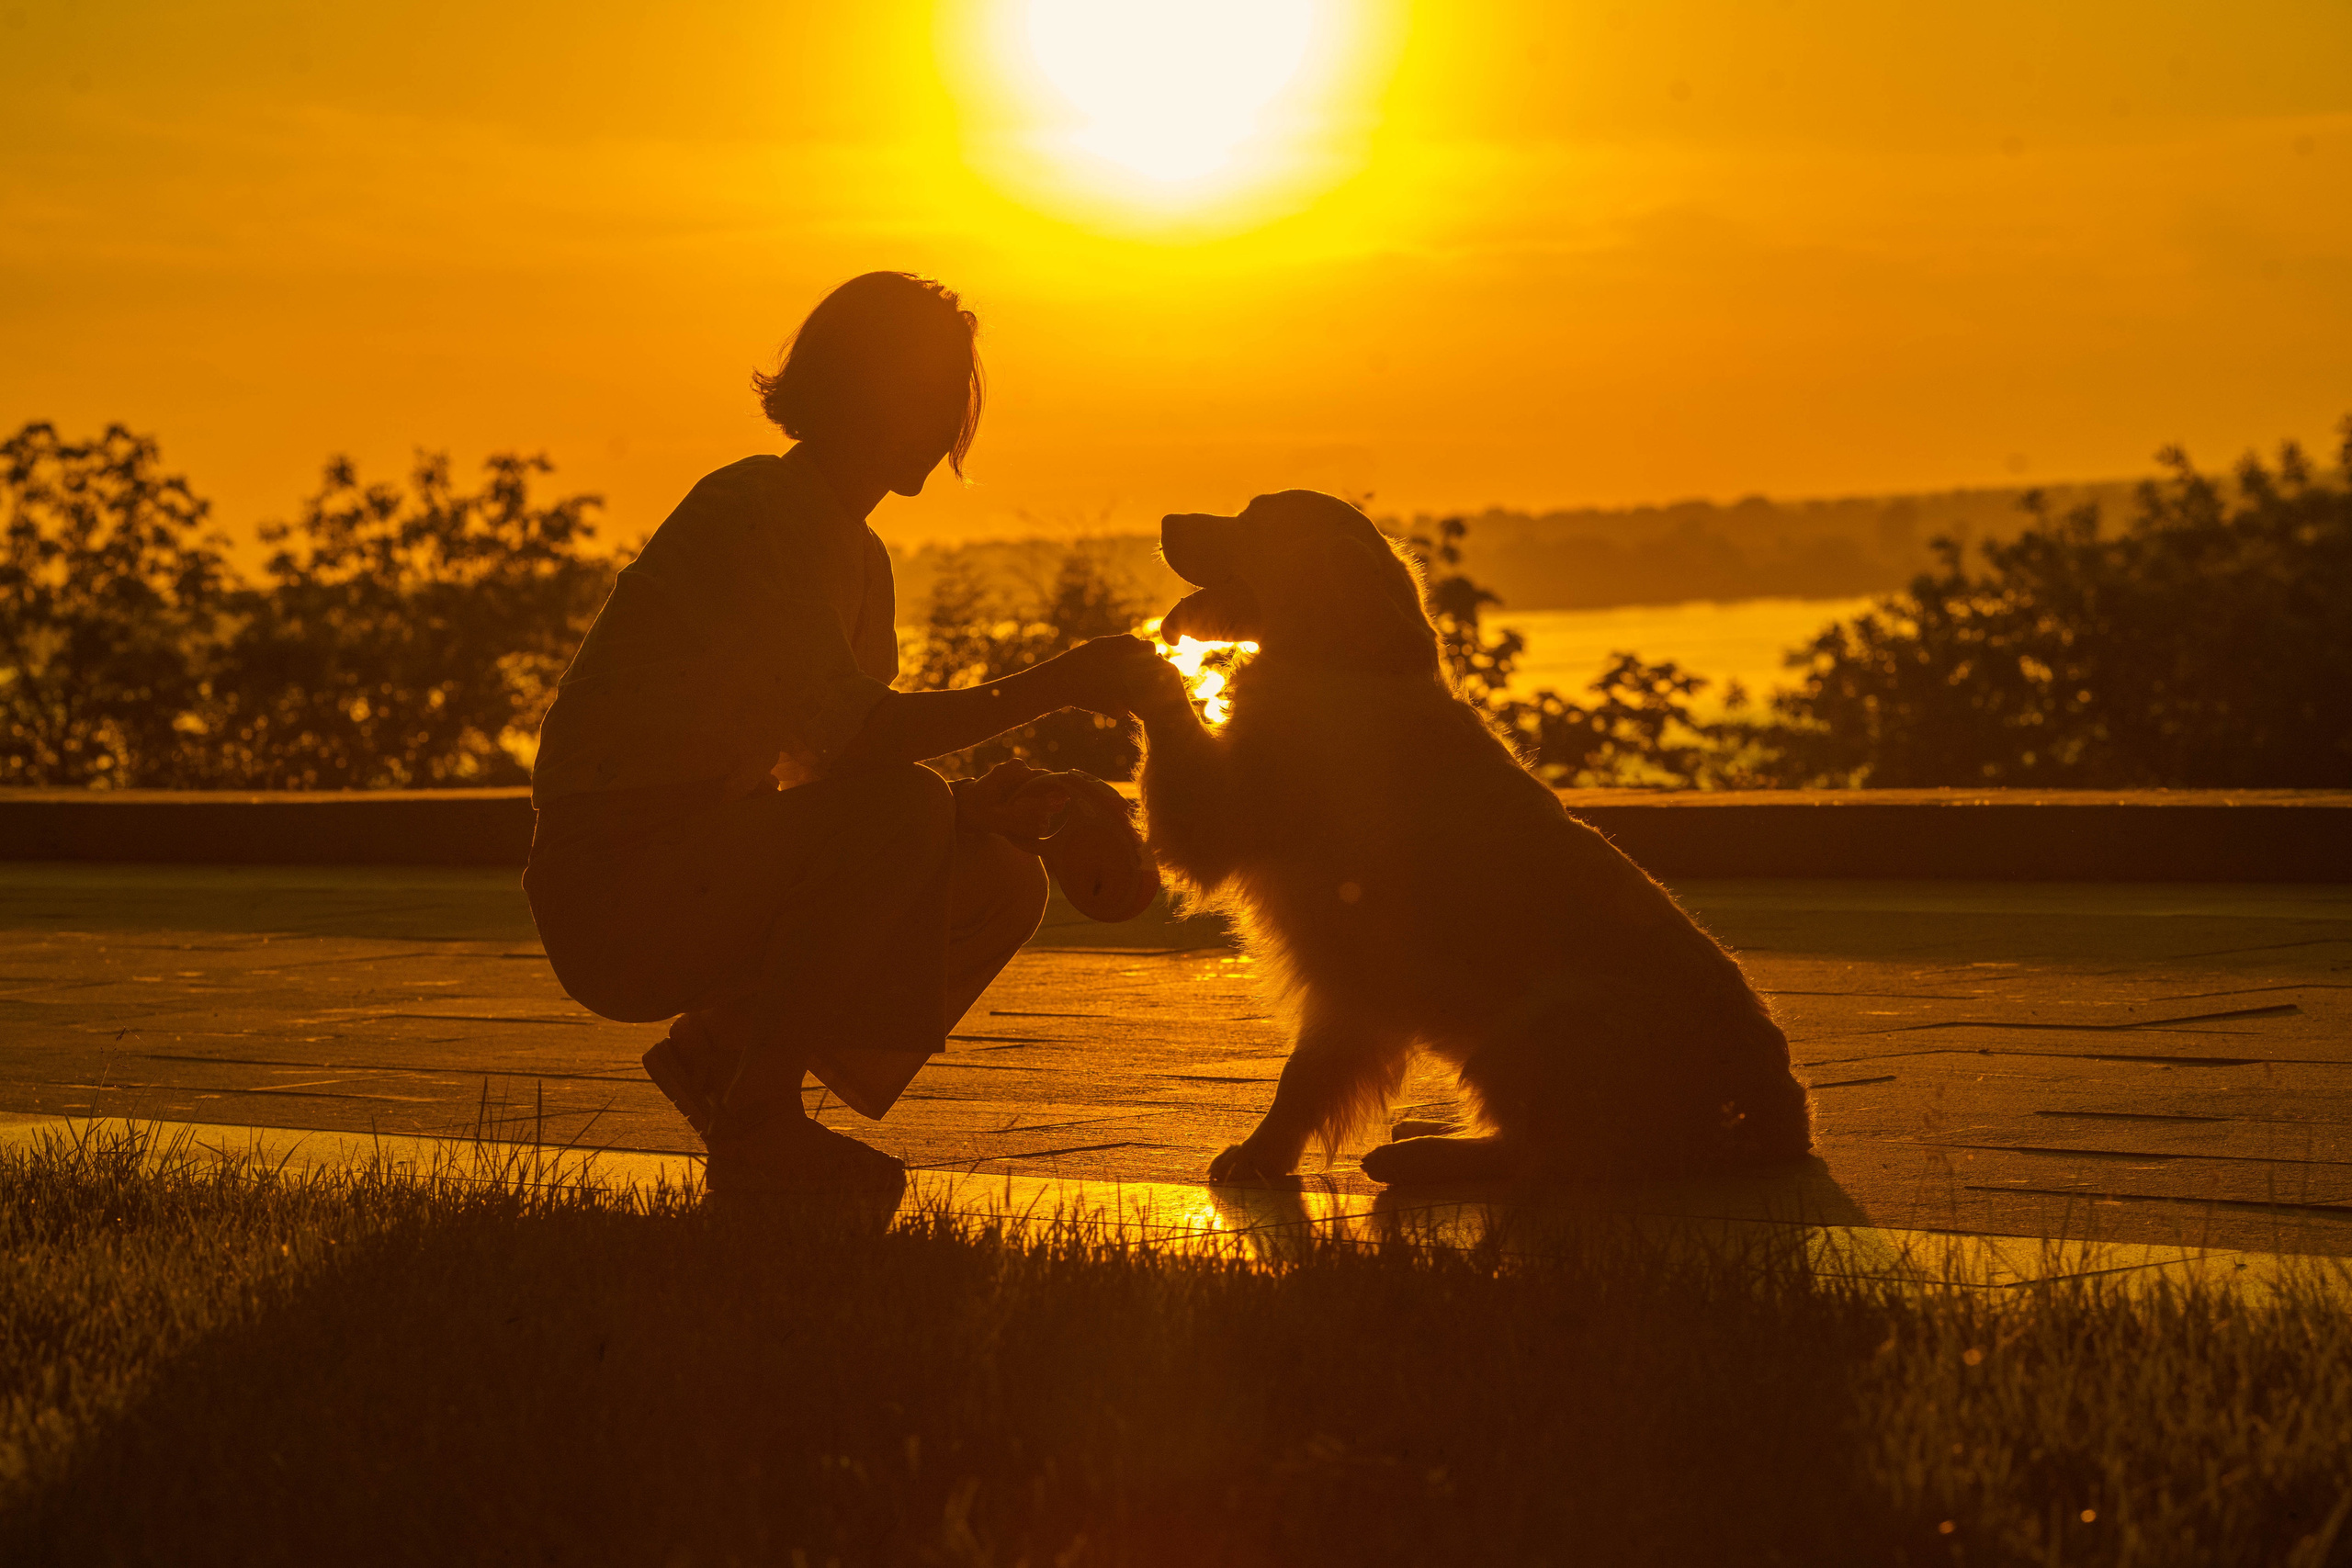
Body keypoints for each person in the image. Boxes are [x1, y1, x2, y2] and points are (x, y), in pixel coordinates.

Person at [522, 271, 1164, 1190]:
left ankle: (725, 1054)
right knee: (908, 809)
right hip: (619, 888)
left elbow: (826, 769)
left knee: (997, 874)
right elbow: (861, 747)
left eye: (954, 398)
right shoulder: (756, 514)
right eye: (924, 394)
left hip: (700, 862)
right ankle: (756, 1117)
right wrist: (1057, 684)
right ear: (855, 392)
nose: (945, 421)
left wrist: (976, 809)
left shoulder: (858, 559)